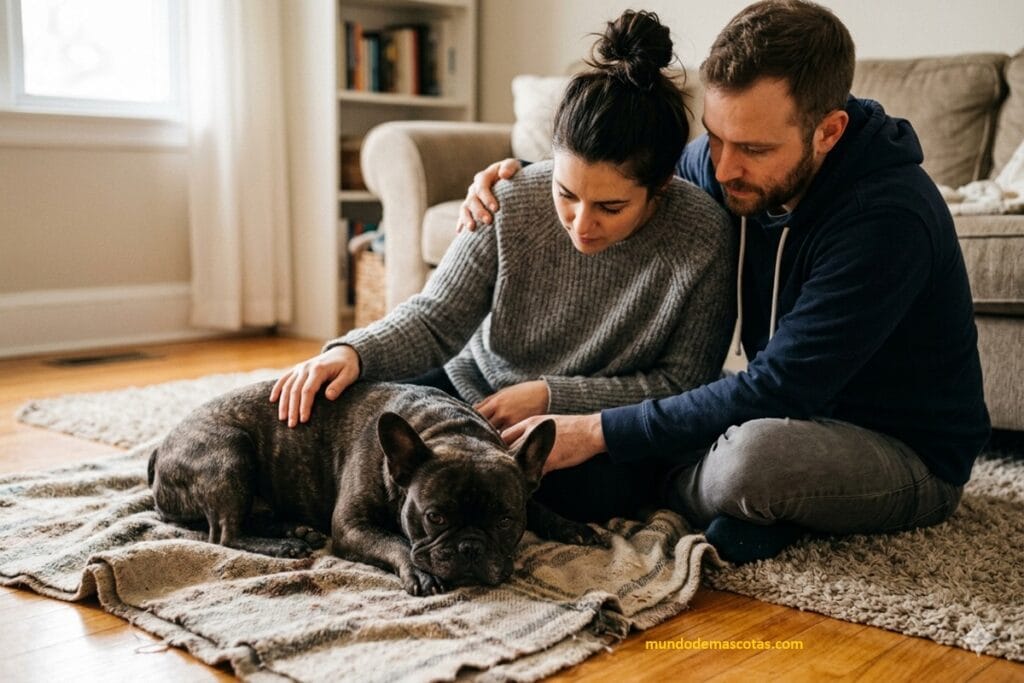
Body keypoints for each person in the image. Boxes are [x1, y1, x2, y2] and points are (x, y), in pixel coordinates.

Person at [466, 0, 991, 563]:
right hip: (779, 413)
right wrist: (518, 182)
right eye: (715, 138)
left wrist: (599, 432)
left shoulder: (888, 217)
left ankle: (690, 493)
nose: (720, 169)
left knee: (752, 461)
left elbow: (782, 387)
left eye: (754, 149)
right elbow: (631, 183)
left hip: (901, 452)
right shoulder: (723, 165)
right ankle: (741, 507)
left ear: (828, 132)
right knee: (680, 419)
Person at [271, 11, 737, 521]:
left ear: (661, 187)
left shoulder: (704, 235)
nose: (580, 224)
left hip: (586, 421)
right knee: (349, 409)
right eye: (566, 193)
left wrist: (550, 396)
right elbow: (435, 318)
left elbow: (681, 385)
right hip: (474, 387)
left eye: (610, 208)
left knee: (600, 494)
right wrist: (352, 352)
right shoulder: (509, 196)